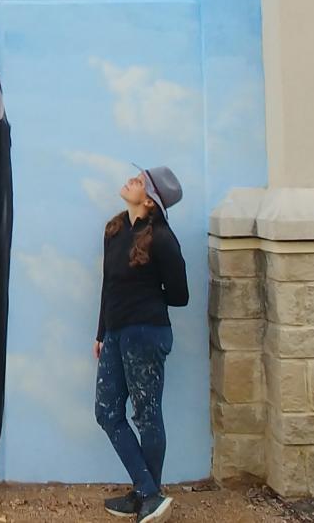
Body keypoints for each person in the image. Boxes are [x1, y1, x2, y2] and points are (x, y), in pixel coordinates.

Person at [94, 164, 189, 523]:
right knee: (107, 412)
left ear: (149, 201)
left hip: (146, 334)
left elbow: (180, 295)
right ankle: (147, 491)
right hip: (117, 334)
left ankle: (148, 495)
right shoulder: (115, 230)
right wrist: (102, 332)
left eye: (141, 182)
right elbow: (108, 286)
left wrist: (145, 300)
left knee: (147, 416)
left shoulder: (162, 239)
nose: (132, 180)